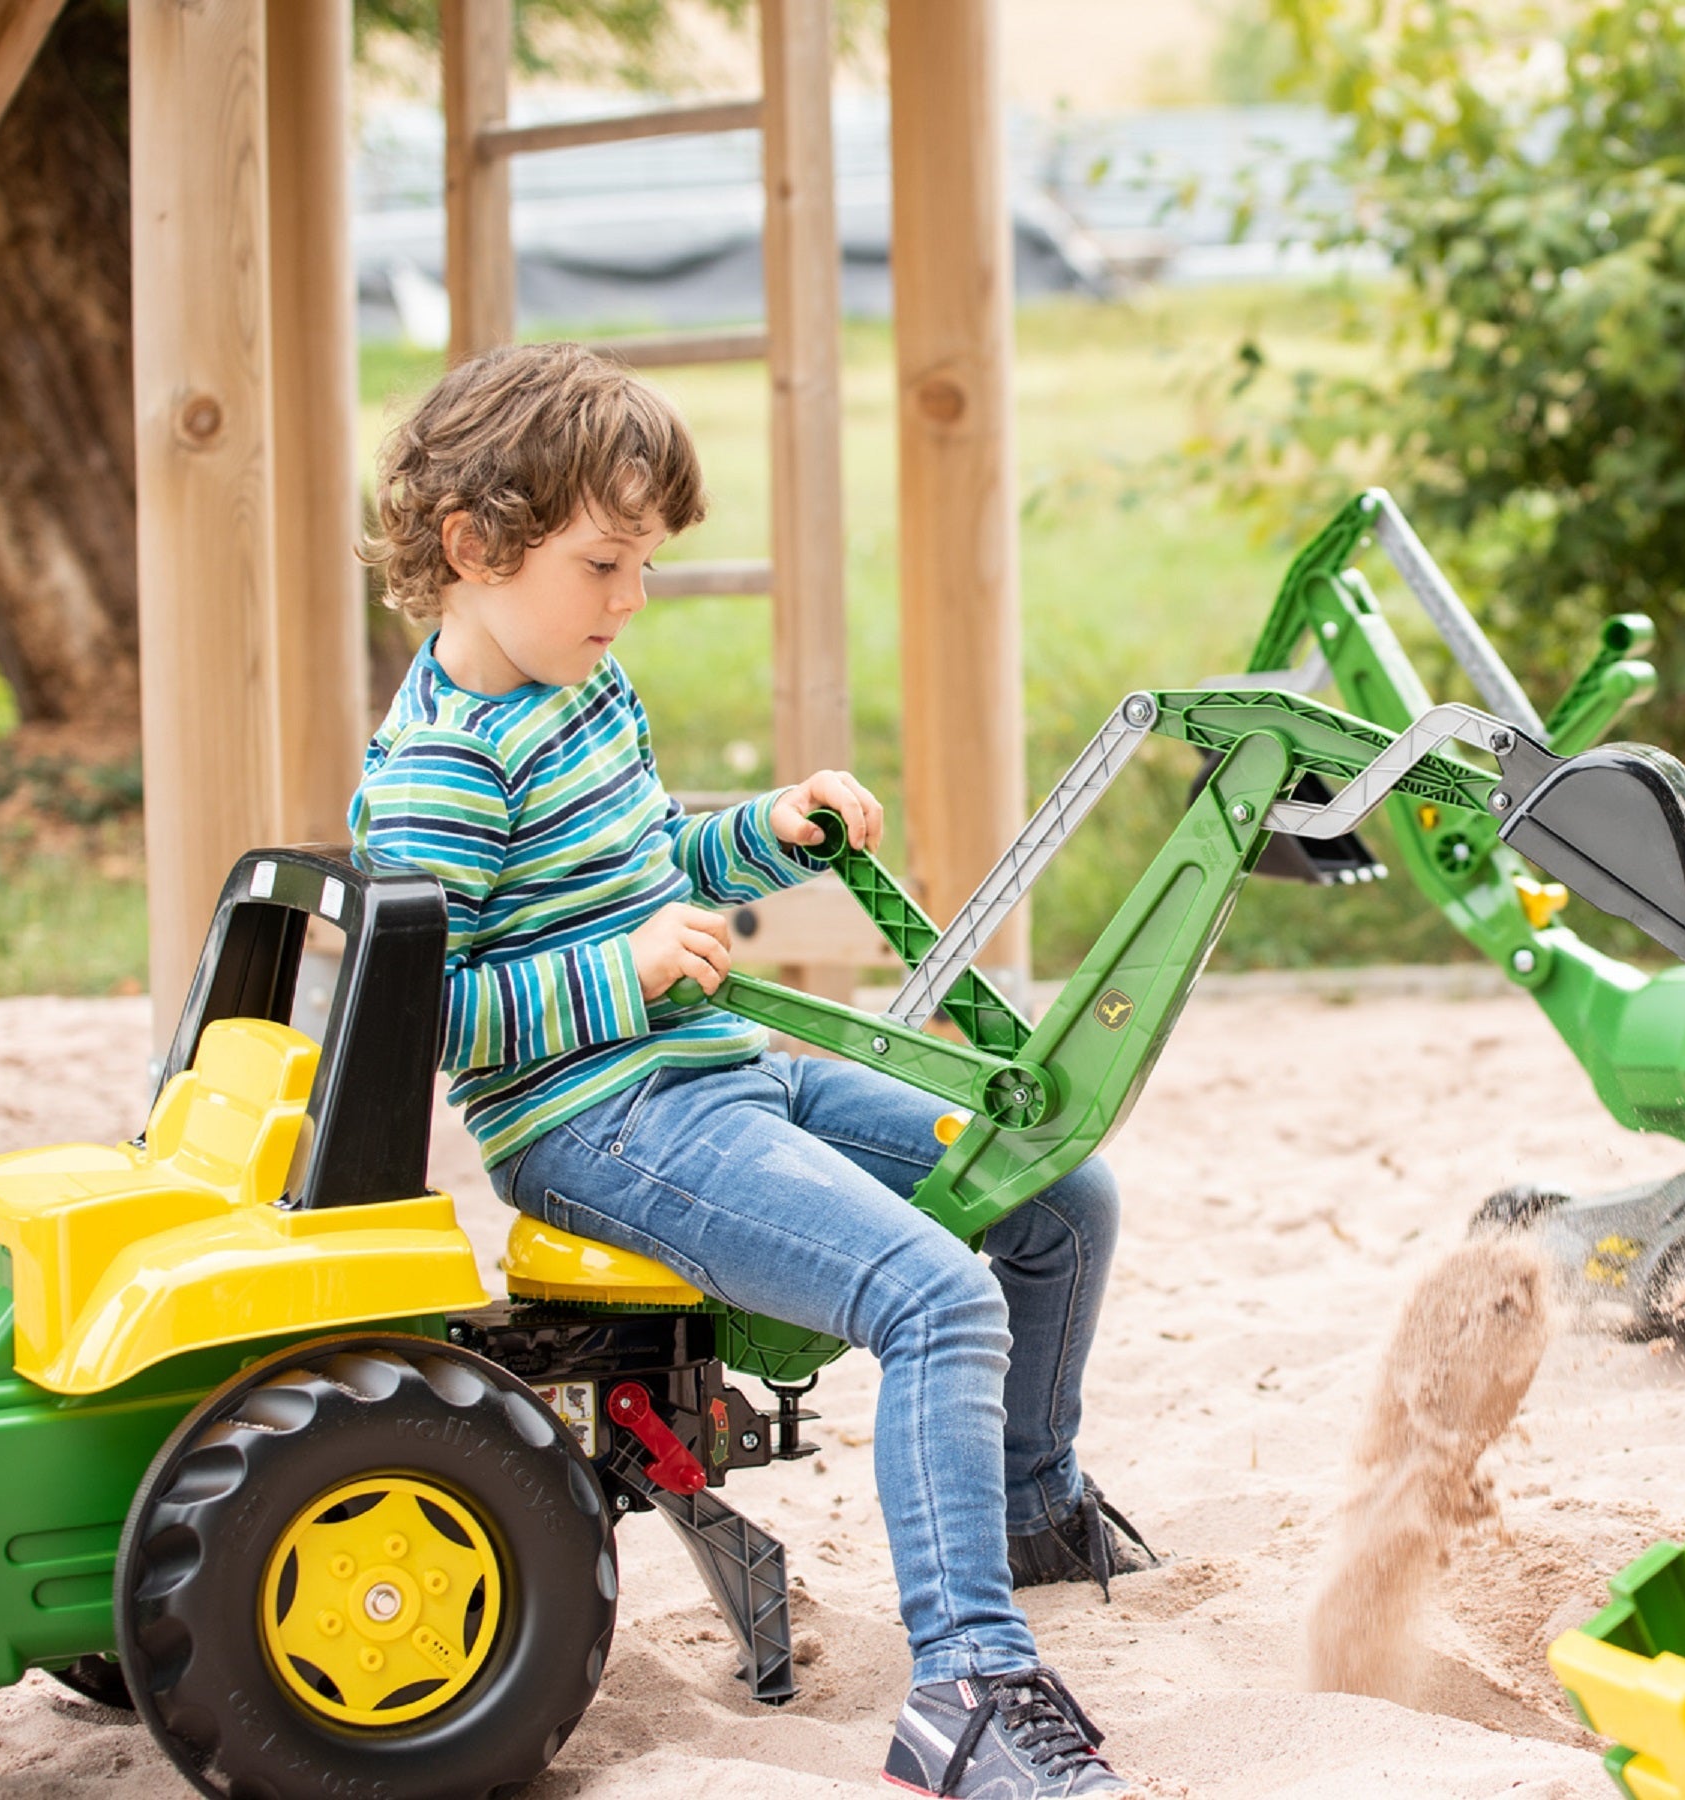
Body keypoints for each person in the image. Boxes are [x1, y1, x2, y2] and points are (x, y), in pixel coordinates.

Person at [350, 342, 1154, 1798]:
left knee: (1055, 1194)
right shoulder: (439, 767)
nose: (631, 600)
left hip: (719, 1078)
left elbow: (653, 857)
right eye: (603, 565)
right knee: (935, 1295)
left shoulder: (579, 690)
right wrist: (625, 974)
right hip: (598, 1124)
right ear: (473, 547)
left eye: (643, 565)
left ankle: (1029, 1511)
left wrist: (766, 835)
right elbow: (424, 1019)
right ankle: (967, 1688)